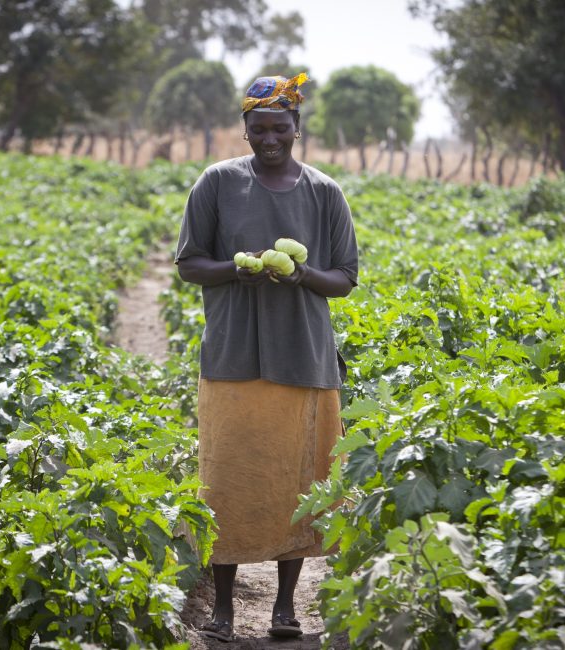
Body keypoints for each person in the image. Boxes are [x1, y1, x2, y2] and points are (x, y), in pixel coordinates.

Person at [174, 72, 358, 643]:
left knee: (298, 482)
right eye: (260, 129)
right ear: (245, 130)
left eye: (280, 128)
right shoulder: (216, 183)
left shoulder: (324, 192)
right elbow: (189, 263)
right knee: (227, 481)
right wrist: (236, 270)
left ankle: (284, 606)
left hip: (303, 356)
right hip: (233, 354)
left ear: (297, 127)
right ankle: (224, 608)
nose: (270, 138)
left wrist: (302, 275)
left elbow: (344, 278)